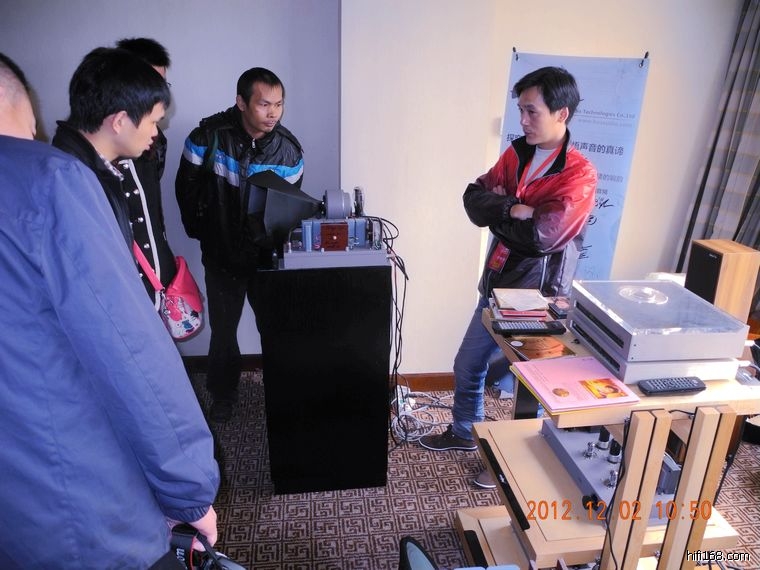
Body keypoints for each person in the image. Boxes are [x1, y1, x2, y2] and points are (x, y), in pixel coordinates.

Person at [0, 53, 219, 568]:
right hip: (72, 487)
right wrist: (189, 490)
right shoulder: (52, 179)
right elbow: (126, 352)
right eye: (154, 120)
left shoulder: (112, 168)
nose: (157, 133)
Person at [419, 67, 597, 488]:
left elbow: (542, 237)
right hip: (496, 284)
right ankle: (464, 431)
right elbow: (472, 199)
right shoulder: (517, 154)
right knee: (467, 364)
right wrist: (513, 209)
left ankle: (514, 466)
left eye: (532, 111)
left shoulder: (579, 174)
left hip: (539, 297)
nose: (523, 120)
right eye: (520, 110)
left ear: (561, 113)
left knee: (530, 387)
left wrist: (503, 212)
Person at [175, 67, 304, 423]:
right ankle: (222, 395)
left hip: (267, 259)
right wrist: (205, 233)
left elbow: (288, 211)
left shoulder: (289, 152)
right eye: (264, 104)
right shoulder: (207, 138)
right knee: (223, 331)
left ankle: (281, 392)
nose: (273, 113)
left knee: (275, 329)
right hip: (222, 256)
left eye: (279, 104)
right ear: (241, 102)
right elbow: (186, 191)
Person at [51, 47, 170, 254]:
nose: (155, 133)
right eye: (153, 122)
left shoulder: (91, 169)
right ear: (119, 121)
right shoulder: (70, 184)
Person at [114, 37, 178, 309]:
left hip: (157, 272)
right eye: (151, 83)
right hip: (124, 287)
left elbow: (151, 208)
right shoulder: (92, 156)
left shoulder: (156, 140)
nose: (160, 95)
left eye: (162, 84)